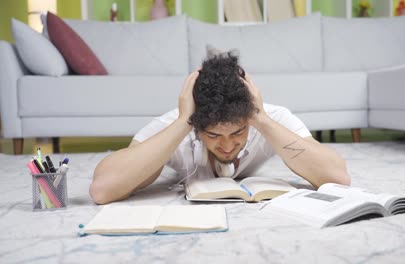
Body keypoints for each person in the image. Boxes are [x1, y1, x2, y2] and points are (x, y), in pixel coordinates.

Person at [89, 50, 350, 205]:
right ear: (197, 127)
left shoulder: (268, 118)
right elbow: (102, 190)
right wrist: (183, 122)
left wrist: (260, 119)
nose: (227, 146)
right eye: (213, 135)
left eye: (238, 132)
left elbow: (338, 178)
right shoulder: (176, 124)